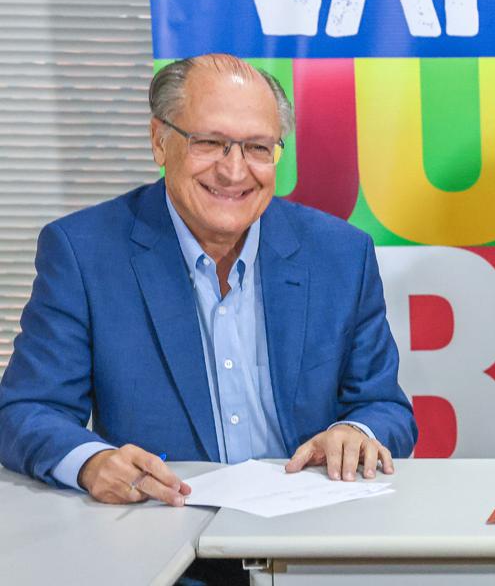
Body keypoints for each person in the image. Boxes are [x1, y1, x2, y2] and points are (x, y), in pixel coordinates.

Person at [0, 54, 417, 507]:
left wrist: (355, 432)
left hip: (311, 538)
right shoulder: (84, 252)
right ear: (160, 140)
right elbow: (26, 410)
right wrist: (91, 463)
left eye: (257, 148)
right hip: (163, 534)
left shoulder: (340, 254)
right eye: (210, 142)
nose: (234, 171)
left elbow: (386, 408)